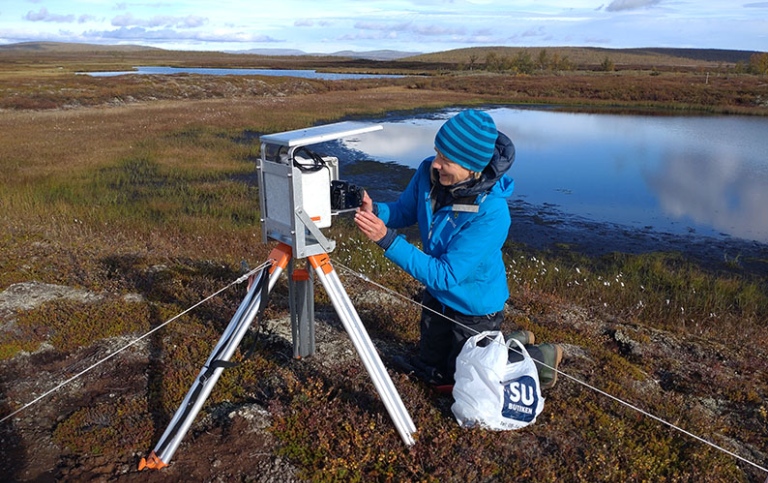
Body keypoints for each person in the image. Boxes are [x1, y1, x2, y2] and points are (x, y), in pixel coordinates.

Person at [354, 109, 563, 389]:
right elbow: (405, 211)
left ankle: (540, 356)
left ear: (471, 167)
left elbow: (446, 275)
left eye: (446, 159)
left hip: (474, 307)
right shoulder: (429, 173)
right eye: (437, 153)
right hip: (438, 298)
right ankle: (505, 342)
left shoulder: (492, 213)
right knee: (429, 367)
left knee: (466, 383)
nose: (436, 164)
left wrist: (387, 240)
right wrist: (376, 211)